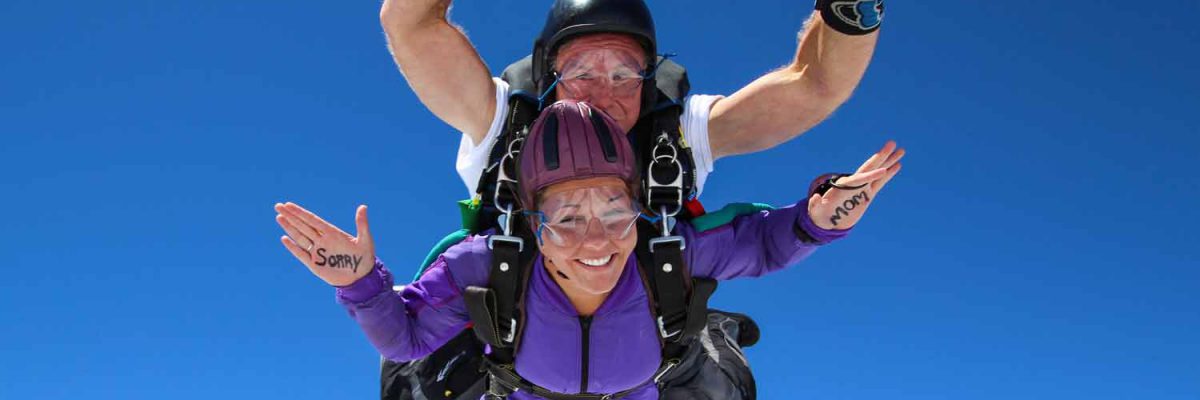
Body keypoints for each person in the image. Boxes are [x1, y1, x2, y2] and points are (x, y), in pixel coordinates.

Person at [274, 101, 904, 399]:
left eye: (614, 210)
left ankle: (712, 345)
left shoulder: (670, 253)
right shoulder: (490, 265)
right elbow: (408, 341)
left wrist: (821, 218)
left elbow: (764, 244)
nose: (597, 240)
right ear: (529, 220)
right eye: (567, 217)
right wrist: (358, 280)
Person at [379, 0, 885, 197]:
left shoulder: (680, 134)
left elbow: (816, 85)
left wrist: (852, 8)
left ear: (650, 79)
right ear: (548, 77)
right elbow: (409, 21)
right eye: (579, 72)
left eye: (625, 74)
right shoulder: (501, 122)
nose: (603, 93)